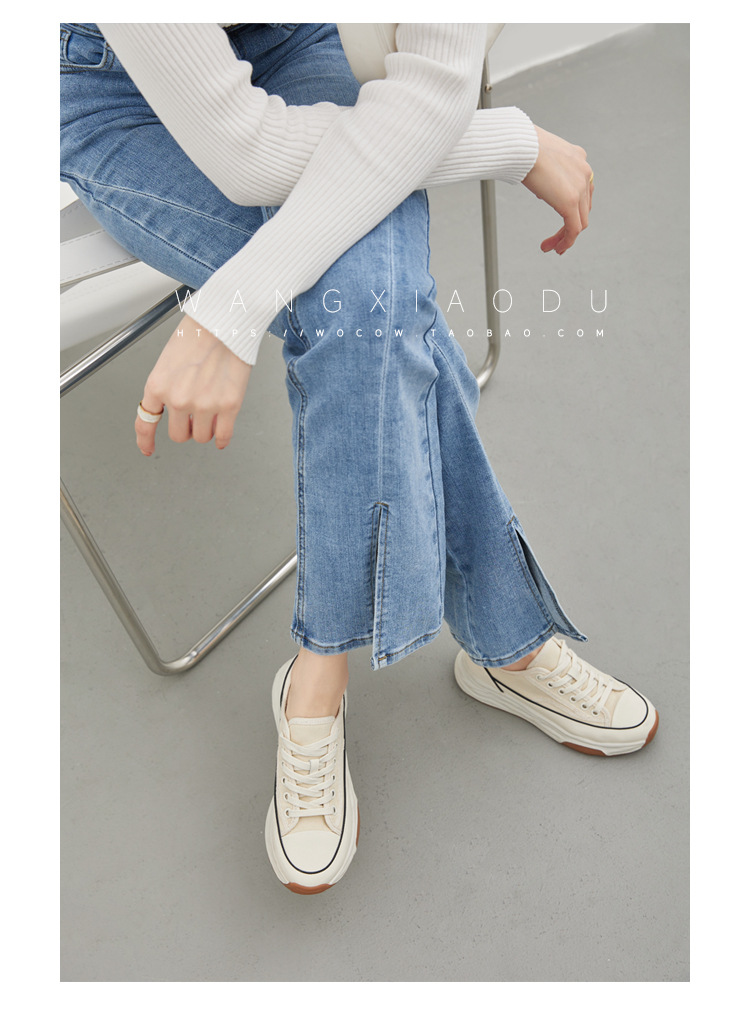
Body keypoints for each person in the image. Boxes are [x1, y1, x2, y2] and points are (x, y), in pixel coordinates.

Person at [60, 22, 659, 895]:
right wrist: (507, 140)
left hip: (293, 43)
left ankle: (315, 681)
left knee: (369, 292)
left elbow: (431, 87)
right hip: (116, 91)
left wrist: (238, 302)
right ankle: (504, 642)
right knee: (373, 299)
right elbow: (253, 159)